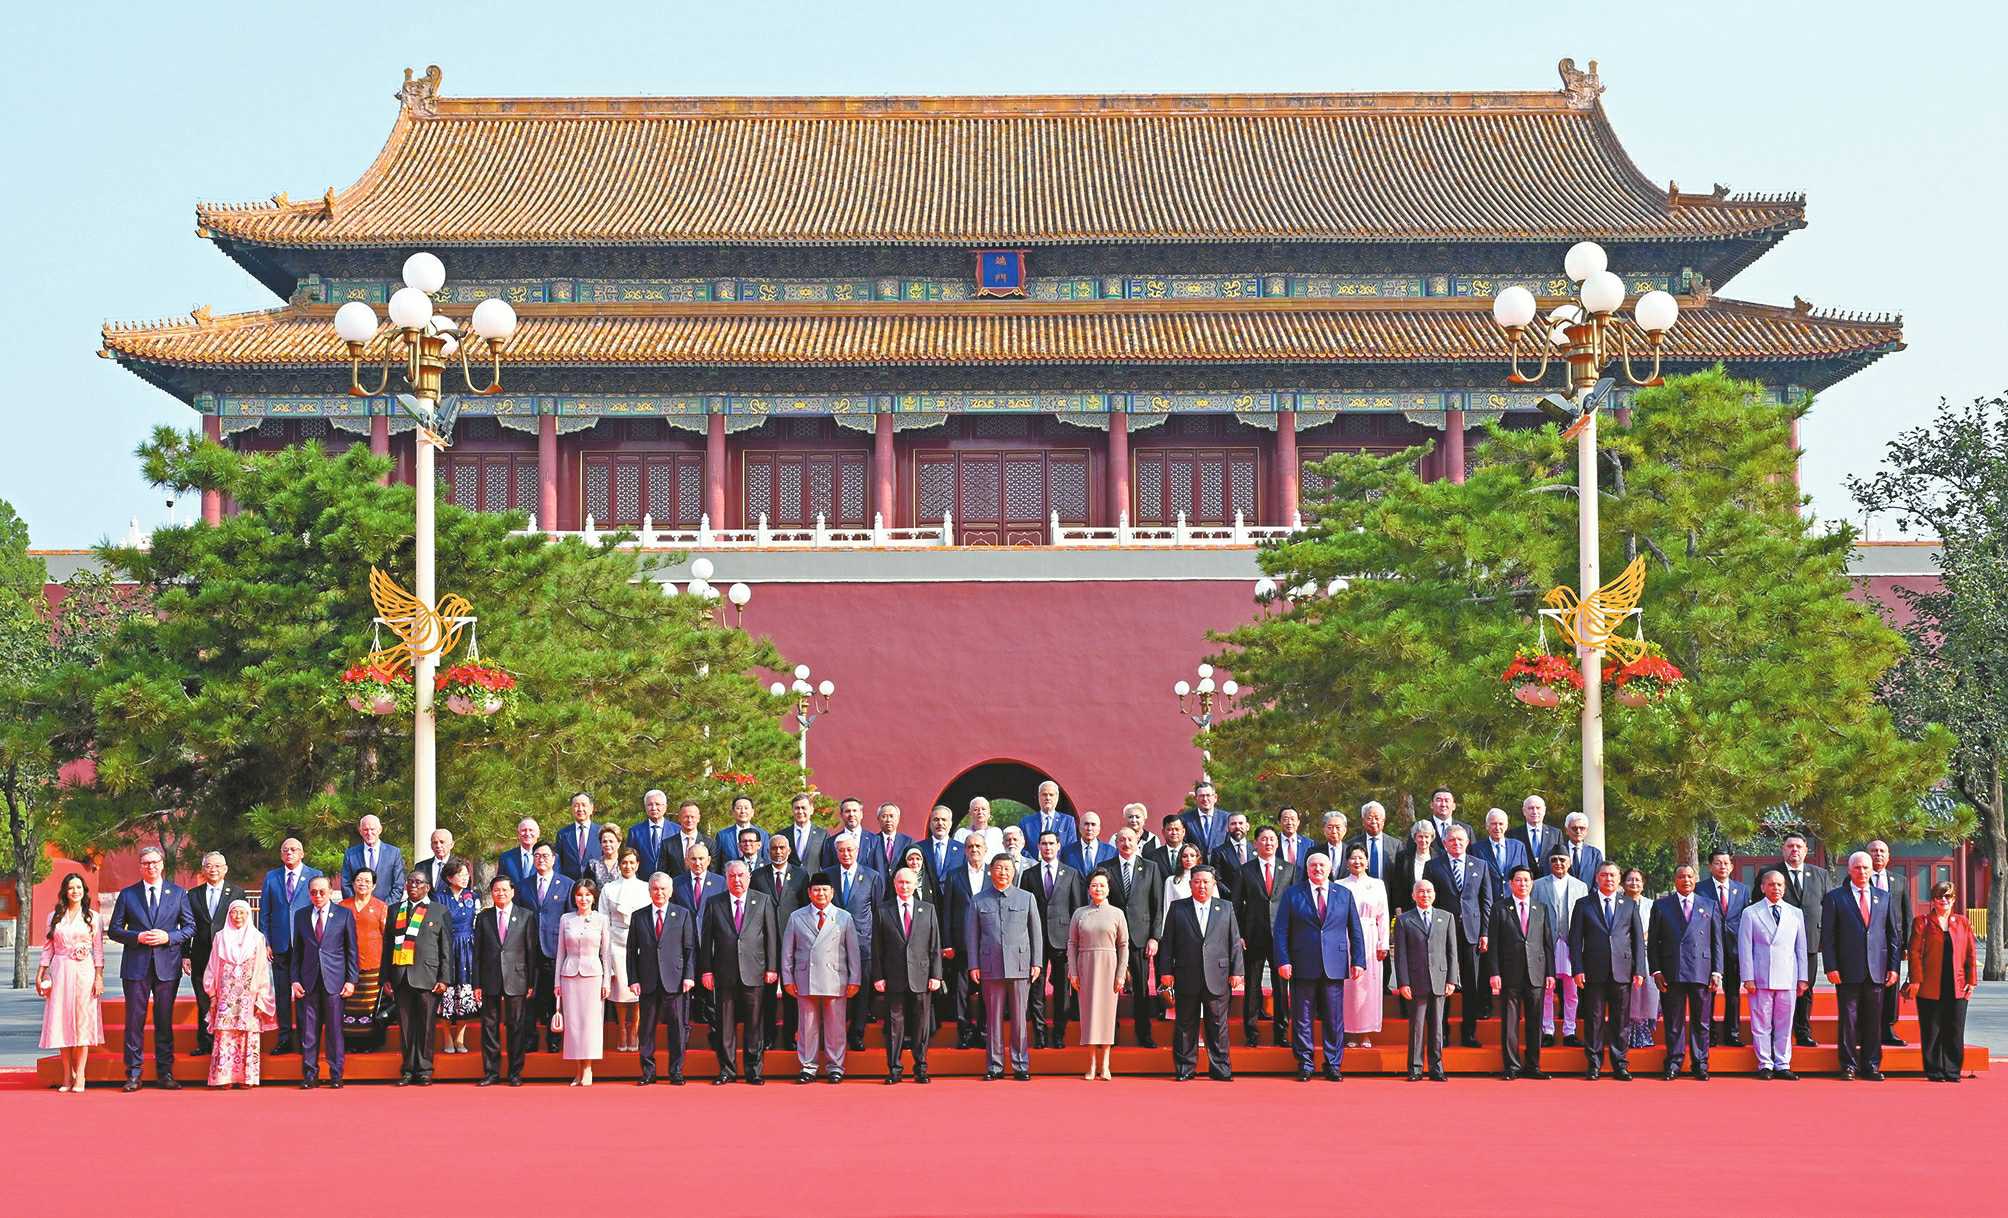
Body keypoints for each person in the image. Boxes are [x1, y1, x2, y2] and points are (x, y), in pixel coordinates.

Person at [1272, 851, 1366, 1081]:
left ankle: (1333, 1064)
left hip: (1334, 964)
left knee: (1334, 1018)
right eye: (1313, 865)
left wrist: (1358, 960)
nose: (1318, 869)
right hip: (1302, 963)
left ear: (1330, 868)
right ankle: (1305, 1063)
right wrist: (1283, 960)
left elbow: (1355, 929)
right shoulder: (1293, 894)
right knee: (1302, 1017)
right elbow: (1281, 930)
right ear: (1307, 869)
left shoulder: (1343, 894)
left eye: (1322, 865)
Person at [109, 846, 193, 1091]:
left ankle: (165, 1073)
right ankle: (134, 1074)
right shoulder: (128, 894)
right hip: (136, 966)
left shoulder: (178, 893)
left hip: (167, 966)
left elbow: (190, 927)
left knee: (164, 1020)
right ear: (140, 867)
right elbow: (114, 930)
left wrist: (169, 937)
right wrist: (137, 937)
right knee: (134, 1021)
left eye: (155, 862)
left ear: (162, 864)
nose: (151, 866)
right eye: (146, 863)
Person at [1158, 866, 1243, 1081]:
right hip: (1186, 973)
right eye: (1197, 882)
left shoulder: (1225, 907)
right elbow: (1167, 942)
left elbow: (1234, 941)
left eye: (1206, 882)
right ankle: (1185, 1068)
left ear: (1213, 884)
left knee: (1218, 1025)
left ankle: (1221, 1069)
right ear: (1190, 884)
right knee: (1185, 1024)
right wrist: (1165, 971)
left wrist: (1237, 971)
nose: (1201, 886)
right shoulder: (1178, 908)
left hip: (1218, 975)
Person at [1821, 850, 1901, 1080]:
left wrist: (1893, 967)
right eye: (1857, 867)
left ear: (1872, 870)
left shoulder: (1884, 897)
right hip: (1847, 969)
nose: (1862, 871)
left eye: (1866, 867)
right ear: (1849, 870)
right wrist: (1831, 967)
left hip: (1877, 969)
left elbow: (1893, 935)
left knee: (1874, 1020)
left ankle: (1871, 1065)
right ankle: (1848, 1065)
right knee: (1848, 1019)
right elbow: (1828, 936)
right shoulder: (1835, 897)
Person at [701, 860, 780, 1084]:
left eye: (741, 875)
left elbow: (771, 936)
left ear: (749, 877)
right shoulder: (714, 902)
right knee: (725, 1025)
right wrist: (706, 970)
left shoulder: (762, 900)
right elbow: (706, 940)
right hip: (724, 973)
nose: (737, 880)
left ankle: (753, 1070)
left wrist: (772, 968)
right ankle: (727, 1070)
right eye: (732, 876)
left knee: (755, 1024)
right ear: (726, 879)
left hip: (755, 972)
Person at [782, 871, 861, 1083]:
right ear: (809, 893)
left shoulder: (844, 917)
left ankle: (836, 1067)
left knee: (836, 1027)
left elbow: (853, 952)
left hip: (835, 978)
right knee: (807, 1026)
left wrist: (855, 979)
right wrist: (787, 979)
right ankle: (808, 1067)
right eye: (816, 890)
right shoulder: (796, 917)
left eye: (825, 889)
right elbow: (788, 951)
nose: (821, 893)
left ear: (832, 892)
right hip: (805, 977)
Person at [970, 851, 1043, 1080]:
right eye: (998, 868)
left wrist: (1037, 962)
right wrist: (973, 964)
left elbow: (1036, 933)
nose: (1003, 872)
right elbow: (972, 935)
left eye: (1007, 868)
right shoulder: (978, 900)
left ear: (1014, 872)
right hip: (990, 965)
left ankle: (1021, 1065)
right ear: (990, 871)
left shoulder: (1026, 898)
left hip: (1020, 966)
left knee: (1020, 1018)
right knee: (993, 1019)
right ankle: (994, 1066)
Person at [1569, 862, 1644, 1080]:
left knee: (1621, 1020)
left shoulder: (1629, 904)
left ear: (1619, 879)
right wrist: (1577, 968)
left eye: (1612, 875)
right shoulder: (1584, 904)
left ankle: (1620, 1064)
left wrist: (1639, 969)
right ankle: (1594, 1064)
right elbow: (1575, 940)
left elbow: (1638, 940)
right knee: (1594, 1019)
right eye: (1604, 875)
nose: (1608, 879)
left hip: (1622, 971)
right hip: (1593, 971)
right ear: (1597, 878)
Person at [1648, 863, 1723, 1080]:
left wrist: (1717, 971)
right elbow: (1653, 942)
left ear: (1695, 879)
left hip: (1702, 970)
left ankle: (1700, 1063)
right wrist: (1656, 970)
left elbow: (1716, 941)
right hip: (1672, 970)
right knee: (1674, 1021)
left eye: (1690, 876)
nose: (1686, 880)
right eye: (1681, 877)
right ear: (1675, 880)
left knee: (1702, 1021)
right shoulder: (1662, 906)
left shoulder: (1709, 905)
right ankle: (1674, 1062)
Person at [1423, 825, 1494, 1047]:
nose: (1456, 843)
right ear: (1444, 843)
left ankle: (1469, 1033)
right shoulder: (1433, 866)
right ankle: (1441, 1033)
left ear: (1467, 842)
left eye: (1460, 840)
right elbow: (1429, 901)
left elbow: (1486, 901)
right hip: (1443, 933)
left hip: (1472, 933)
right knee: (1443, 983)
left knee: (1471, 985)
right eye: (1452, 840)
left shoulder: (1480, 865)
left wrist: (1485, 932)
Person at [872, 866, 942, 1084]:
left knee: (921, 1025)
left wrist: (936, 975)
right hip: (894, 976)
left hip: (922, 976)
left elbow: (935, 945)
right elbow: (877, 948)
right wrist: (878, 976)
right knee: (895, 1025)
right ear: (894, 884)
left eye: (908, 882)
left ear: (915, 884)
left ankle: (921, 1068)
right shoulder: (883, 910)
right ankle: (894, 1069)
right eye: (900, 882)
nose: (904, 886)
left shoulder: (928, 909)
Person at [384, 872, 454, 1086]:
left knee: (426, 1026)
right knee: (406, 1027)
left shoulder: (439, 910)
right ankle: (407, 1069)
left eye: (418, 882)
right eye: (410, 882)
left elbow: (446, 948)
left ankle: (424, 1069)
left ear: (427, 886)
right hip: (400, 976)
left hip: (428, 977)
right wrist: (385, 977)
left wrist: (445, 978)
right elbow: (387, 946)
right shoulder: (395, 910)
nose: (413, 885)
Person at [627, 872, 696, 1085]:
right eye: (655, 889)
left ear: (671, 891)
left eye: (663, 889)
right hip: (647, 981)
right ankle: (648, 1072)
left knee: (677, 1029)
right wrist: (633, 979)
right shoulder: (639, 916)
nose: (659, 892)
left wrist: (689, 976)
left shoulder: (682, 914)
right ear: (649, 891)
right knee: (646, 1030)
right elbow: (631, 951)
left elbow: (690, 948)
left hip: (675, 981)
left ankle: (676, 1071)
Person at [37, 873, 104, 1092]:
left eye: (78, 887)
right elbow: (47, 947)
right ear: (65, 891)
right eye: (71, 888)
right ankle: (67, 1075)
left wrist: (99, 977)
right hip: (60, 970)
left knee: (83, 1021)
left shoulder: (93, 917)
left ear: (84, 891)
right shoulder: (54, 916)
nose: (75, 891)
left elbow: (98, 951)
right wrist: (40, 973)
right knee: (61, 1021)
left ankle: (81, 1074)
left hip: (85, 972)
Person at [1905, 881, 1978, 1082]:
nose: (1943, 900)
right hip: (1929, 983)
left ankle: (1952, 1070)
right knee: (1931, 1029)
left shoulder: (1962, 922)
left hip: (1957, 984)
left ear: (1954, 899)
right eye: (1939, 896)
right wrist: (1916, 980)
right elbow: (1914, 953)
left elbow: (1971, 953)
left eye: (1948, 896)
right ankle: (1934, 1070)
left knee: (1955, 1028)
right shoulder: (1922, 922)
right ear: (1933, 900)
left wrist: (1972, 981)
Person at [1738, 868, 1808, 1079]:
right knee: (1761, 1023)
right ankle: (1765, 1064)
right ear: (1762, 887)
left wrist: (1802, 978)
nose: (1775, 888)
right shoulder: (1751, 912)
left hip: (1788, 976)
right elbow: (1745, 947)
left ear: (1784, 888)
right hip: (1761, 977)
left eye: (1779, 884)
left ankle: (1783, 1063)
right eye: (1771, 884)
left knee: (1785, 1024)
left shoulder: (1795, 913)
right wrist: (1748, 977)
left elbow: (1801, 948)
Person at [1098, 828, 1165, 1048]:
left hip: (1140, 938)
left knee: (1141, 988)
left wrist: (1154, 937)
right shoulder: (1105, 868)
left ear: (1138, 842)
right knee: (1110, 988)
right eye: (1122, 840)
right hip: (1111, 937)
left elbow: (1157, 906)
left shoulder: (1151, 867)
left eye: (1130, 839)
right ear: (1116, 842)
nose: (1126, 843)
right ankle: (1110, 1034)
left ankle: (1144, 1034)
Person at [290, 876, 359, 1089]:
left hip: (335, 981)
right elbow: (297, 951)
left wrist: (351, 980)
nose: (318, 896)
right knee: (309, 1032)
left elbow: (352, 950)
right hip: (308, 981)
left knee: (334, 1031)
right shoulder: (301, 915)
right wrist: (295, 980)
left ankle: (336, 1074)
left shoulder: (344, 915)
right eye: (313, 892)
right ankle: (310, 1075)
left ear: (330, 892)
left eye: (322, 892)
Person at [200, 899, 276, 1089]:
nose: (238, 916)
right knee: (225, 1034)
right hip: (226, 996)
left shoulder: (257, 938)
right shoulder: (220, 937)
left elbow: (262, 970)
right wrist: (212, 995)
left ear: (248, 915)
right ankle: (224, 1077)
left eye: (242, 912)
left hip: (249, 996)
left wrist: (261, 998)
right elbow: (212, 967)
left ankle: (246, 1078)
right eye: (234, 912)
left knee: (247, 1034)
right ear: (229, 915)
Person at [1486, 865, 1553, 1079]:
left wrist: (1550, 973)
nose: (1522, 884)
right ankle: (1512, 1066)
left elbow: (1547, 943)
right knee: (1510, 1022)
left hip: (1536, 973)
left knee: (1535, 1021)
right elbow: (1493, 944)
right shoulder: (1499, 908)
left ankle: (1533, 1065)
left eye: (1526, 880)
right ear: (1510, 883)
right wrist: (1494, 972)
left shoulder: (1541, 908)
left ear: (1532, 883)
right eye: (1518, 880)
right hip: (1509, 972)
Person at [1022, 831, 1085, 1048]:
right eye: (1043, 843)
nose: (1047, 847)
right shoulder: (1029, 875)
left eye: (1051, 843)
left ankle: (1059, 1033)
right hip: (1036, 939)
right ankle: (1039, 1033)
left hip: (1063, 940)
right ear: (1038, 846)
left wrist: (1075, 941)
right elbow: (1024, 911)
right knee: (1036, 989)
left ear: (1058, 846)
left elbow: (1077, 910)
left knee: (1062, 991)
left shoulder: (1071, 874)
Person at [257, 837, 320, 1054]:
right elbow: (265, 912)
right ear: (281, 854)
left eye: (294, 849)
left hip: (306, 944)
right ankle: (284, 1038)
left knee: (305, 994)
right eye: (285, 850)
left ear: (302, 853)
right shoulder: (272, 877)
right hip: (280, 944)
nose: (289, 853)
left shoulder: (315, 875)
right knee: (282, 994)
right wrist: (266, 941)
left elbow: (319, 909)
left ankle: (305, 1038)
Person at [1392, 878, 1459, 1082]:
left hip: (1440, 978)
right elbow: (1400, 955)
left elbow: (1452, 952)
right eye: (1421, 891)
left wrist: (1452, 979)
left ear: (1434, 894)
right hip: (1416, 980)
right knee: (1417, 1027)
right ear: (1413, 895)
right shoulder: (1404, 920)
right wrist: (1403, 982)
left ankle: (1437, 1068)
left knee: (1437, 1027)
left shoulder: (1446, 917)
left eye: (1429, 891)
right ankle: (1415, 1068)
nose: (1425, 895)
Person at [475, 875, 538, 1087]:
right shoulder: (483, 918)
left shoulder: (526, 916)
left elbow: (531, 952)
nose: (500, 893)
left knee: (516, 1026)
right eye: (496, 890)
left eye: (504, 890)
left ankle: (515, 1072)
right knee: (489, 1027)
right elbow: (477, 953)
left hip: (517, 977)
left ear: (512, 892)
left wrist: (531, 982)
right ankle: (491, 1072)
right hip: (489, 978)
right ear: (491, 893)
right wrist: (476, 984)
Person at [1235, 827, 1296, 1047]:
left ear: (1277, 843)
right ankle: (1251, 1033)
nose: (1268, 843)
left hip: (1281, 936)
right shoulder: (1245, 870)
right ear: (1255, 843)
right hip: (1253, 935)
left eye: (1271, 839)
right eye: (1263, 839)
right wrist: (1239, 934)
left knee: (1281, 987)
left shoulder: (1289, 869)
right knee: (1252, 985)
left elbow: (1294, 904)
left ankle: (1281, 1033)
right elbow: (1236, 904)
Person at [1068, 871, 1129, 1081]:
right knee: (1089, 1016)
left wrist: (1121, 974)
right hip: (1085, 966)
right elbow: (1072, 944)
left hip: (1109, 967)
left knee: (1107, 1016)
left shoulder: (1117, 914)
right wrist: (1073, 972)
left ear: (1109, 889)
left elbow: (1123, 945)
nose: (1098, 889)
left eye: (1102, 885)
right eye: (1094, 885)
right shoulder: (1079, 914)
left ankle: (1106, 1064)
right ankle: (1092, 1063)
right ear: (1088, 889)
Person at [184, 851, 245, 1057]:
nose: (213, 869)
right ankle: (205, 1043)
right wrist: (185, 954)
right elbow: (187, 925)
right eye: (209, 866)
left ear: (225, 869)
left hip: (229, 956)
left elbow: (243, 925)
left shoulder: (237, 893)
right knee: (203, 1000)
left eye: (218, 866)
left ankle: (226, 1042)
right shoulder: (193, 895)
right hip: (201, 955)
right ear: (203, 869)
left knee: (227, 999)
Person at [555, 878, 614, 1085]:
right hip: (569, 976)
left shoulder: (602, 919)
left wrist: (607, 981)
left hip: (593, 976)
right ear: (574, 897)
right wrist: (557, 983)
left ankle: (588, 1067)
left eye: (587, 895)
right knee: (573, 1025)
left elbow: (606, 953)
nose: (583, 899)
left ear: (594, 897)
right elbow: (560, 953)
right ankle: (577, 1069)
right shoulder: (566, 919)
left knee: (590, 1023)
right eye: (579, 895)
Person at [754, 833, 810, 1050]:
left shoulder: (801, 875)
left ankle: (790, 1037)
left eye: (782, 848)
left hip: (793, 941)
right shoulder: (758, 875)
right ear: (768, 851)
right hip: (765, 942)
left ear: (789, 850)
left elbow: (805, 908)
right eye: (774, 848)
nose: (778, 852)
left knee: (791, 992)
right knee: (767, 994)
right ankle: (767, 1037)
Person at [1776, 832, 1830, 1047]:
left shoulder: (1820, 875)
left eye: (1799, 846)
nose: (1795, 850)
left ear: (1806, 850)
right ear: (1783, 849)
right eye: (1790, 846)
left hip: (1810, 942)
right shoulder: (1771, 873)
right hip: (1779, 945)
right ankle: (1780, 1032)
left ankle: (1803, 1031)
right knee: (1780, 989)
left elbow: (1828, 908)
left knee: (1805, 988)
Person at [1532, 850, 1589, 1047]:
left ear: (1569, 862)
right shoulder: (1538, 885)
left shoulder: (1580, 886)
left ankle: (1569, 1031)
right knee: (1547, 989)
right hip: (1546, 942)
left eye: (1562, 860)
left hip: (1571, 942)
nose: (1558, 863)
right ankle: (1547, 1030)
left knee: (1571, 990)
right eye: (1554, 860)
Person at [829, 835, 880, 1049]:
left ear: (857, 850)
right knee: (836, 991)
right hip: (832, 945)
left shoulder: (872, 876)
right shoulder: (827, 874)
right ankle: (835, 1034)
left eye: (850, 850)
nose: (846, 854)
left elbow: (877, 912)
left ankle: (857, 1033)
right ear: (836, 852)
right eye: (841, 850)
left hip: (862, 943)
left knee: (861, 990)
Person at [1337, 846, 1390, 1049]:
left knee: (1369, 986)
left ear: (1367, 862)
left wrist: (1383, 943)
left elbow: (1383, 915)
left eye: (1361, 858)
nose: (1357, 862)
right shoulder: (1339, 885)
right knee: (1349, 986)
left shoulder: (1377, 884)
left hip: (1370, 937)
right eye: (1353, 858)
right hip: (1346, 938)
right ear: (1347, 862)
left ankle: (1366, 1032)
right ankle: (1350, 1031)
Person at [1695, 849, 1749, 1047]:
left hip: (1734, 949)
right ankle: (1708, 1035)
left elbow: (1745, 919)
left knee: (1733, 994)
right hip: (1708, 949)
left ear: (1732, 867)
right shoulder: (1700, 889)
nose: (1722, 867)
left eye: (1726, 863)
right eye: (1718, 863)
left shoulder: (1742, 889)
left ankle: (1732, 1034)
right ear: (1710, 866)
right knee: (1708, 993)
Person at [943, 833, 992, 1048]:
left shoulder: (994, 873)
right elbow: (947, 911)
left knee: (986, 990)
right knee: (961, 991)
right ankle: (964, 1033)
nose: (974, 850)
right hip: (961, 942)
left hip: (989, 942)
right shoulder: (954, 875)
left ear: (985, 849)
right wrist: (947, 942)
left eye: (978, 846)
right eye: (970, 846)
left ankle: (983, 1032)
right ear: (965, 850)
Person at [525, 842, 574, 1052]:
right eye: (537, 855)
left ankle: (554, 1039)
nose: (541, 859)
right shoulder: (523, 885)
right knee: (530, 997)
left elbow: (571, 917)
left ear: (554, 859)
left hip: (555, 948)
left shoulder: (567, 884)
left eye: (545, 855)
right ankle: (530, 1039)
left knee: (555, 995)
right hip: (528, 949)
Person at [600, 846, 650, 1053]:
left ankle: (635, 1028)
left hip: (640, 941)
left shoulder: (646, 887)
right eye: (624, 862)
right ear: (619, 865)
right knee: (620, 988)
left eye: (631, 862)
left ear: (637, 865)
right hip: (616, 942)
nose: (628, 866)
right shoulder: (608, 889)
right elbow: (603, 919)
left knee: (637, 990)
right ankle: (621, 1027)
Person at [1867, 840, 1913, 1047]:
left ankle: (1888, 1028)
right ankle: (1867, 1029)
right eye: (1874, 851)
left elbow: (1907, 914)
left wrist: (1907, 945)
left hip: (1893, 942)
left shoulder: (1899, 881)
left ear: (1888, 856)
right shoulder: (1858, 878)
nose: (1878, 854)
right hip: (1867, 941)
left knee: (1891, 984)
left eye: (1882, 851)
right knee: (1868, 985)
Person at [339, 868, 390, 1051]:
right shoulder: (343, 906)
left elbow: (387, 937)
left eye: (367, 881)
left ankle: (370, 1043)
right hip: (348, 966)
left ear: (374, 886)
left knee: (369, 1006)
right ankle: (351, 1043)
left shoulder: (381, 907)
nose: (363, 884)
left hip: (374, 965)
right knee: (350, 1006)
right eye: (359, 880)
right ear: (353, 883)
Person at [436, 860, 480, 1055]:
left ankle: (460, 1037)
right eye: (460, 874)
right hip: (447, 946)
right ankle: (447, 1036)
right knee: (447, 994)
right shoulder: (439, 897)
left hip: (467, 948)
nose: (464, 878)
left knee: (464, 993)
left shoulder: (473, 896)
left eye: (466, 874)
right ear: (449, 877)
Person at [1621, 867, 1659, 1049]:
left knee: (1647, 993)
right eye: (1630, 879)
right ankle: (1624, 1035)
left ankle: (1644, 1034)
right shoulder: (1618, 902)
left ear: (1643, 884)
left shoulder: (1652, 905)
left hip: (1647, 954)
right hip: (1623, 954)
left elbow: (1658, 929)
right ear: (1623, 883)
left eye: (1637, 880)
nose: (1634, 883)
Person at [340, 813, 406, 899]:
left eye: (372, 829)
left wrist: (385, 906)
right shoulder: (351, 854)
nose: (369, 833)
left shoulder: (393, 853)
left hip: (386, 906)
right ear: (360, 831)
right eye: (365, 830)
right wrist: (357, 904)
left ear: (380, 830)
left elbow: (398, 885)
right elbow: (346, 884)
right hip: (357, 906)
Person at [1471, 809, 1530, 897]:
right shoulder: (1477, 849)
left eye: (1501, 824)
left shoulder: (1518, 846)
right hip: (1489, 899)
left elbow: (1525, 874)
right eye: (1493, 824)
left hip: (1513, 898)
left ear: (1506, 826)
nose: (1497, 827)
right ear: (1487, 826)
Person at [1344, 802, 1399, 889]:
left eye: (1377, 818)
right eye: (1369, 818)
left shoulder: (1396, 845)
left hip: (1388, 893)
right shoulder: (1351, 844)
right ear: (1363, 821)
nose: (1373, 821)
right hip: (1359, 891)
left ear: (1383, 821)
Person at [555, 792, 606, 882]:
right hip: (570, 884)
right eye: (576, 805)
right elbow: (558, 863)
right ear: (571, 809)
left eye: (583, 805)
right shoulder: (563, 834)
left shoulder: (602, 832)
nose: (580, 809)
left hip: (595, 884)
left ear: (591, 808)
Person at [1392, 820, 1436, 915]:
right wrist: (1398, 907)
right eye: (1420, 836)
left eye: (1426, 837)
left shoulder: (1439, 856)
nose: (1423, 840)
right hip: (1408, 908)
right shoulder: (1403, 857)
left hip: (1434, 909)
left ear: (1432, 838)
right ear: (1414, 838)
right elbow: (1397, 884)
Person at [1020, 780, 1079, 850]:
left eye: (1051, 795)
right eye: (1044, 794)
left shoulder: (1068, 821)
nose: (1048, 798)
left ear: (1057, 797)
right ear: (1039, 797)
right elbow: (1021, 848)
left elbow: (1072, 848)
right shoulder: (1026, 823)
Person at [779, 792, 830, 871]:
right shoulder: (783, 835)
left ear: (811, 810)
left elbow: (826, 865)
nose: (800, 811)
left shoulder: (822, 835)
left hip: (813, 878)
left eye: (803, 808)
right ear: (792, 811)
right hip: (790, 878)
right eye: (797, 808)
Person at [862, 801, 915, 874]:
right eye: (884, 816)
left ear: (898, 819)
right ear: (878, 819)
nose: (888, 820)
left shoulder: (908, 842)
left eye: (891, 816)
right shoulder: (871, 841)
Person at [714, 794, 769, 864]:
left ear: (752, 812)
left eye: (746, 808)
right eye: (739, 808)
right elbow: (716, 863)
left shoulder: (763, 835)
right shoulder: (722, 836)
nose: (743, 811)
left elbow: (767, 861)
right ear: (733, 812)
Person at [1510, 795, 1562, 866]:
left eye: (1538, 808)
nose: (1534, 812)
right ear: (1524, 811)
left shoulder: (1556, 834)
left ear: (1544, 810)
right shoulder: (1513, 834)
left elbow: (1561, 858)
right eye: (1531, 808)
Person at [1181, 780, 1228, 853]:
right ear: (1195, 798)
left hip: (1220, 860)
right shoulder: (1184, 819)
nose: (1205, 799)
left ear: (1215, 798)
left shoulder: (1227, 818)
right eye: (1201, 796)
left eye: (1208, 795)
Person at [819, 797, 868, 868]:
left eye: (855, 811)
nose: (851, 814)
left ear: (861, 814)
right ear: (841, 815)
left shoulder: (874, 841)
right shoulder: (830, 843)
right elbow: (827, 870)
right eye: (847, 811)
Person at [498, 818, 541, 890]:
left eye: (531, 830)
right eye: (524, 830)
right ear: (518, 834)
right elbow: (500, 885)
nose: (527, 833)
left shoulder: (550, 858)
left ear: (538, 833)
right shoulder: (506, 858)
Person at [413, 828, 458, 894]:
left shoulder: (459, 866)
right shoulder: (421, 867)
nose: (438, 846)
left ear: (451, 844)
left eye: (442, 842)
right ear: (431, 845)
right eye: (435, 842)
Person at [1560, 812, 1603, 883]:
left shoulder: (1595, 854)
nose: (1578, 831)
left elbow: (1599, 879)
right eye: (1574, 828)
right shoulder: (1558, 852)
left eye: (1582, 828)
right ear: (1567, 830)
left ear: (1586, 831)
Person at [587, 824, 626, 888]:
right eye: (604, 841)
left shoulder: (626, 863)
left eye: (611, 841)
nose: (607, 844)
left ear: (619, 843)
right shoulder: (593, 865)